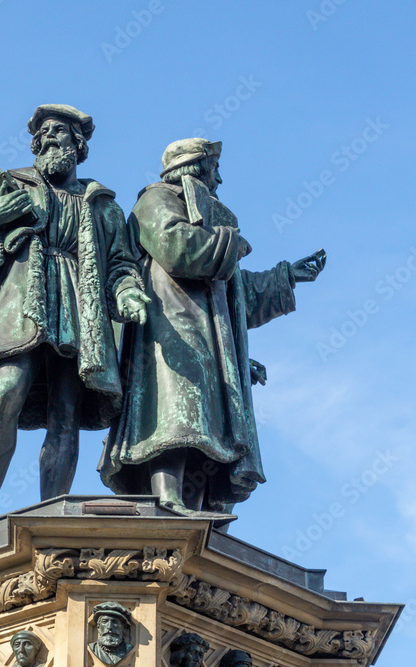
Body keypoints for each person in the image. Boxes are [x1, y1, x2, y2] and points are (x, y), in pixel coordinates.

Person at [0, 104, 148, 529]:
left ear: (79, 145)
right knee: (6, 391)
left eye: (62, 132)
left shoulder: (101, 205)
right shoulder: (11, 186)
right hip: (22, 306)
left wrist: (128, 293)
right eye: (45, 132)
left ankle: (52, 511)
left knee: (65, 412)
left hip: (81, 307)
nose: (51, 138)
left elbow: (120, 264)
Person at [100, 138, 325, 516]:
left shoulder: (208, 218)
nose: (219, 177)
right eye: (214, 168)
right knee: (173, 414)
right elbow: (176, 248)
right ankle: (167, 497)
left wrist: (287, 277)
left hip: (210, 334)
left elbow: (236, 292)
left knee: (208, 426)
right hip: (168, 324)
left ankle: (196, 506)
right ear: (196, 167)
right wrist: (229, 243)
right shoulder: (154, 200)